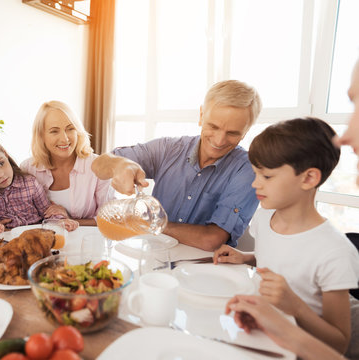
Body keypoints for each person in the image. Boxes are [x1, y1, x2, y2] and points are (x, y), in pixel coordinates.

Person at [213, 117, 359, 353]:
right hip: (266, 335)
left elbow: (339, 344)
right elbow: (281, 255)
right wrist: (247, 257)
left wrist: (296, 307)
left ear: (309, 178)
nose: (255, 184)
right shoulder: (264, 218)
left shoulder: (335, 252)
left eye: (267, 176)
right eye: (255, 174)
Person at [91, 80, 262, 250]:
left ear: (246, 130)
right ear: (201, 115)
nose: (219, 140)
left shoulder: (248, 170)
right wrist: (119, 164)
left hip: (207, 269)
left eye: (232, 133)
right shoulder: (169, 149)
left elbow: (212, 239)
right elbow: (98, 164)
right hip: (155, 261)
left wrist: (151, 223)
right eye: (213, 126)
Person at [0, 134, 79, 236]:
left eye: (1, 163)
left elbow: (48, 212)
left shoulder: (30, 184)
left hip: (37, 238)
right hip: (7, 244)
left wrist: (61, 222)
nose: (0, 174)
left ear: (5, 154)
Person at [20, 101, 114, 226]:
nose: (65, 139)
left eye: (70, 129)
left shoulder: (98, 167)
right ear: (41, 135)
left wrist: (71, 220)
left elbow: (109, 219)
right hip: (44, 242)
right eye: (54, 131)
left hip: (87, 242)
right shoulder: (28, 169)